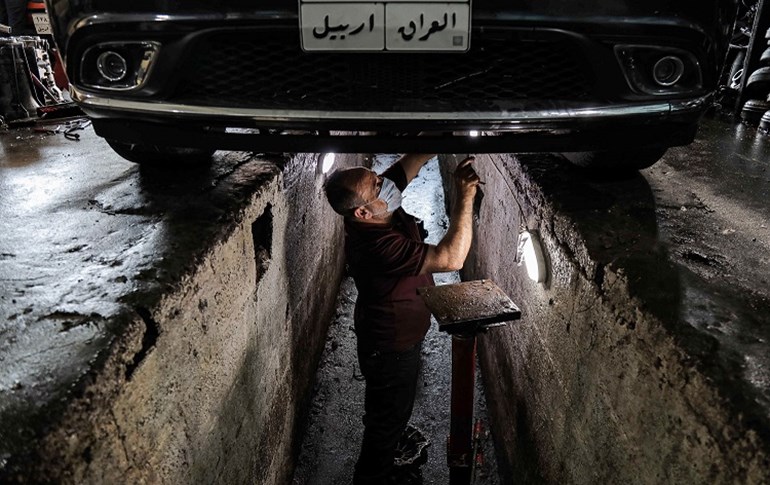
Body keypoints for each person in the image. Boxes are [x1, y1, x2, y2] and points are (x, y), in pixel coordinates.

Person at [323, 154, 480, 485]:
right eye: (377, 184)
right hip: (391, 347)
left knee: (389, 413)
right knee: (385, 424)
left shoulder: (378, 206)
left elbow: (414, 158)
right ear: (362, 212)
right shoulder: (376, 245)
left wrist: (443, 130)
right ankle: (372, 478)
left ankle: (385, 465)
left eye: (377, 177)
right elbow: (452, 258)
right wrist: (464, 197)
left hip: (395, 338)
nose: (385, 183)